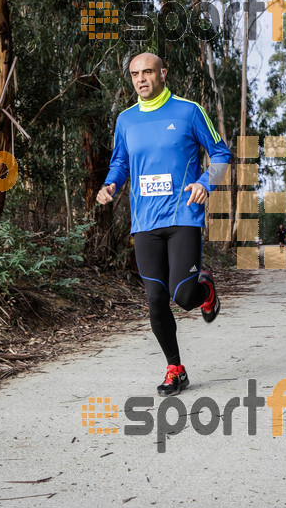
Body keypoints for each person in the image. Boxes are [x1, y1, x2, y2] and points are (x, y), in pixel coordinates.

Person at [96, 52, 232, 397]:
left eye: (147, 72)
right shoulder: (125, 120)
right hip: (145, 221)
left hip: (183, 214)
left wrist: (205, 182)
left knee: (183, 296)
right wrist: (111, 184)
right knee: (156, 297)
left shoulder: (188, 111)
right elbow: (120, 163)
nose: (141, 79)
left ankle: (205, 290)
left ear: (163, 74)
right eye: (134, 74)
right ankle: (175, 368)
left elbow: (220, 154)